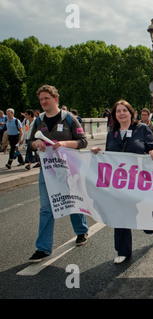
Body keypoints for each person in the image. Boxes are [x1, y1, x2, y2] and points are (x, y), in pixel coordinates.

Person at [91, 100, 153, 264]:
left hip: (139, 179)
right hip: (119, 182)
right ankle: (123, 251)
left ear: (132, 113)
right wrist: (99, 152)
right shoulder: (113, 132)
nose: (121, 113)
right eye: (118, 111)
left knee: (141, 211)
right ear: (114, 115)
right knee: (120, 214)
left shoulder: (142, 129)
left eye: (125, 110)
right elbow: (109, 155)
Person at [27, 85, 89, 263]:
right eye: (41, 99)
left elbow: (83, 141)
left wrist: (64, 144)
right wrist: (35, 144)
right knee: (46, 208)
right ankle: (43, 248)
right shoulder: (38, 120)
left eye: (46, 98)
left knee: (72, 202)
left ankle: (81, 231)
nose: (43, 102)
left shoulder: (69, 118)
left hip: (68, 169)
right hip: (47, 171)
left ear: (56, 99)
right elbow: (30, 142)